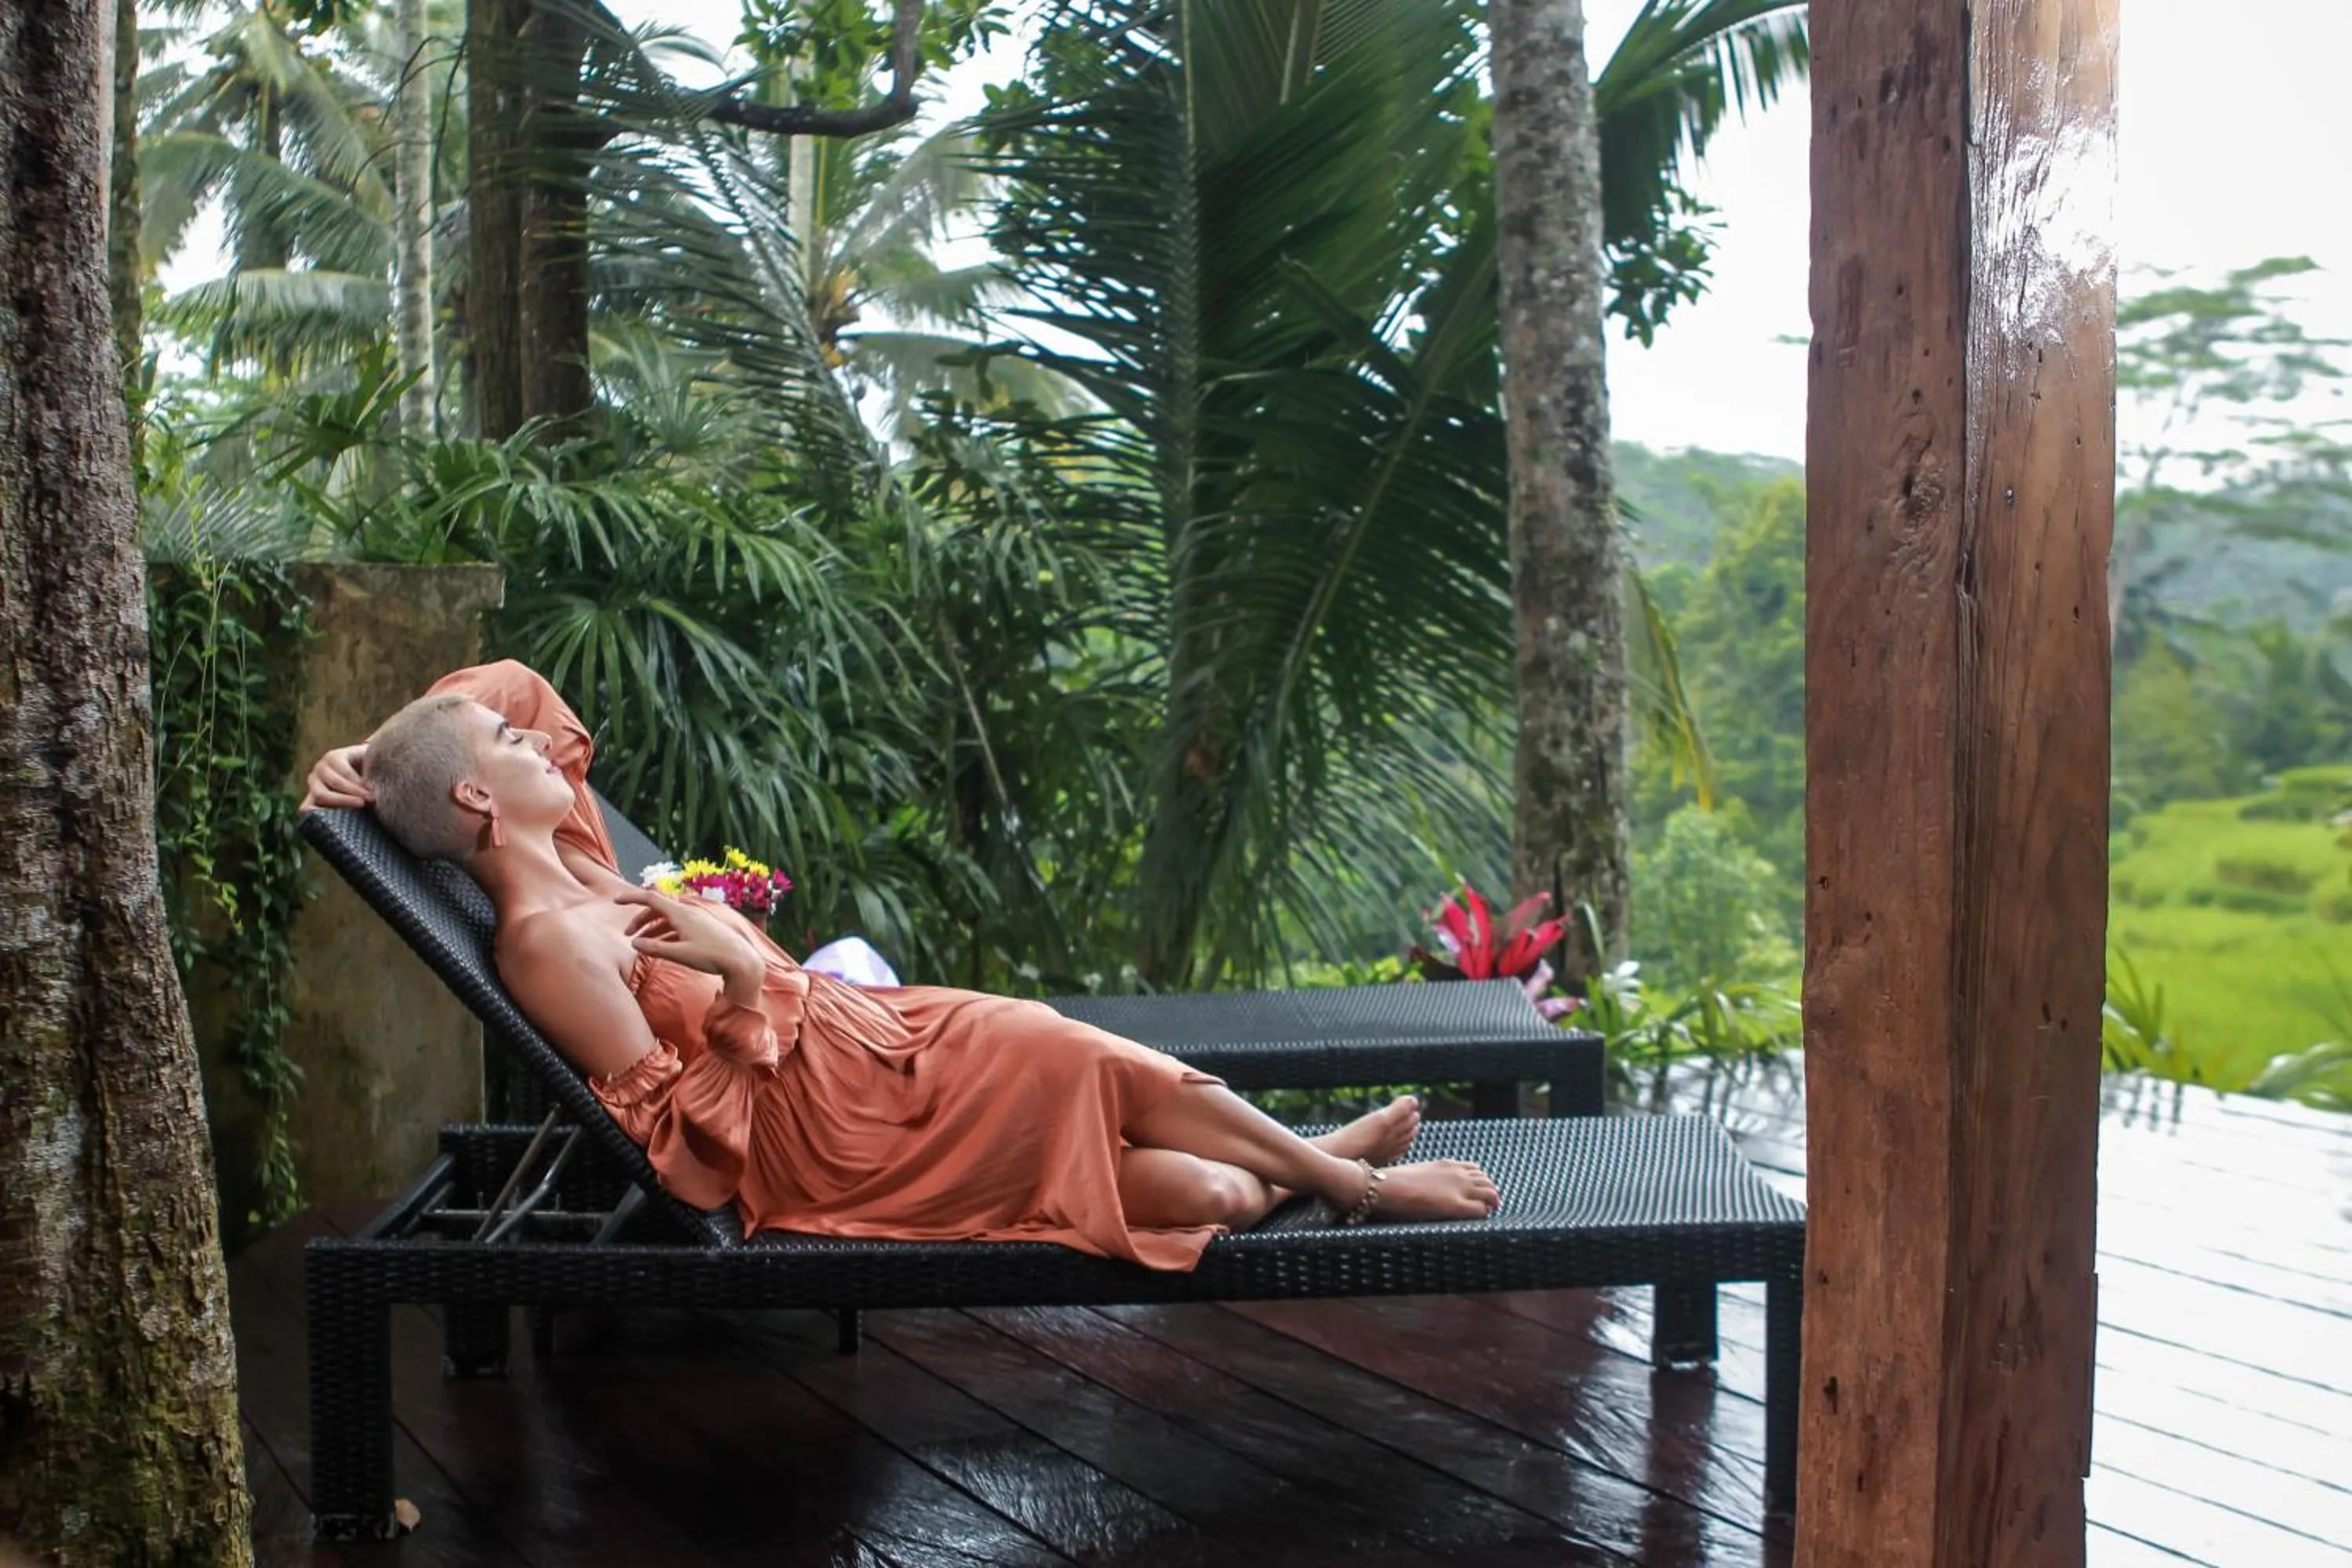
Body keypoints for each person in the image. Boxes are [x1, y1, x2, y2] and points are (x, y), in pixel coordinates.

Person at [301, 661, 1501, 1271]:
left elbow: (498, 690)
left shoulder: (570, 846)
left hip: (874, 1044)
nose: (538, 740)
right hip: (836, 1129)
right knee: (1204, 1193)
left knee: (1074, 1061)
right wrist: (736, 984)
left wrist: (371, 753)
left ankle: (1330, 1173)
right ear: (475, 795)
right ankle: (1338, 1180)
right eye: (508, 751)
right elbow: (684, 1157)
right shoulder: (547, 942)